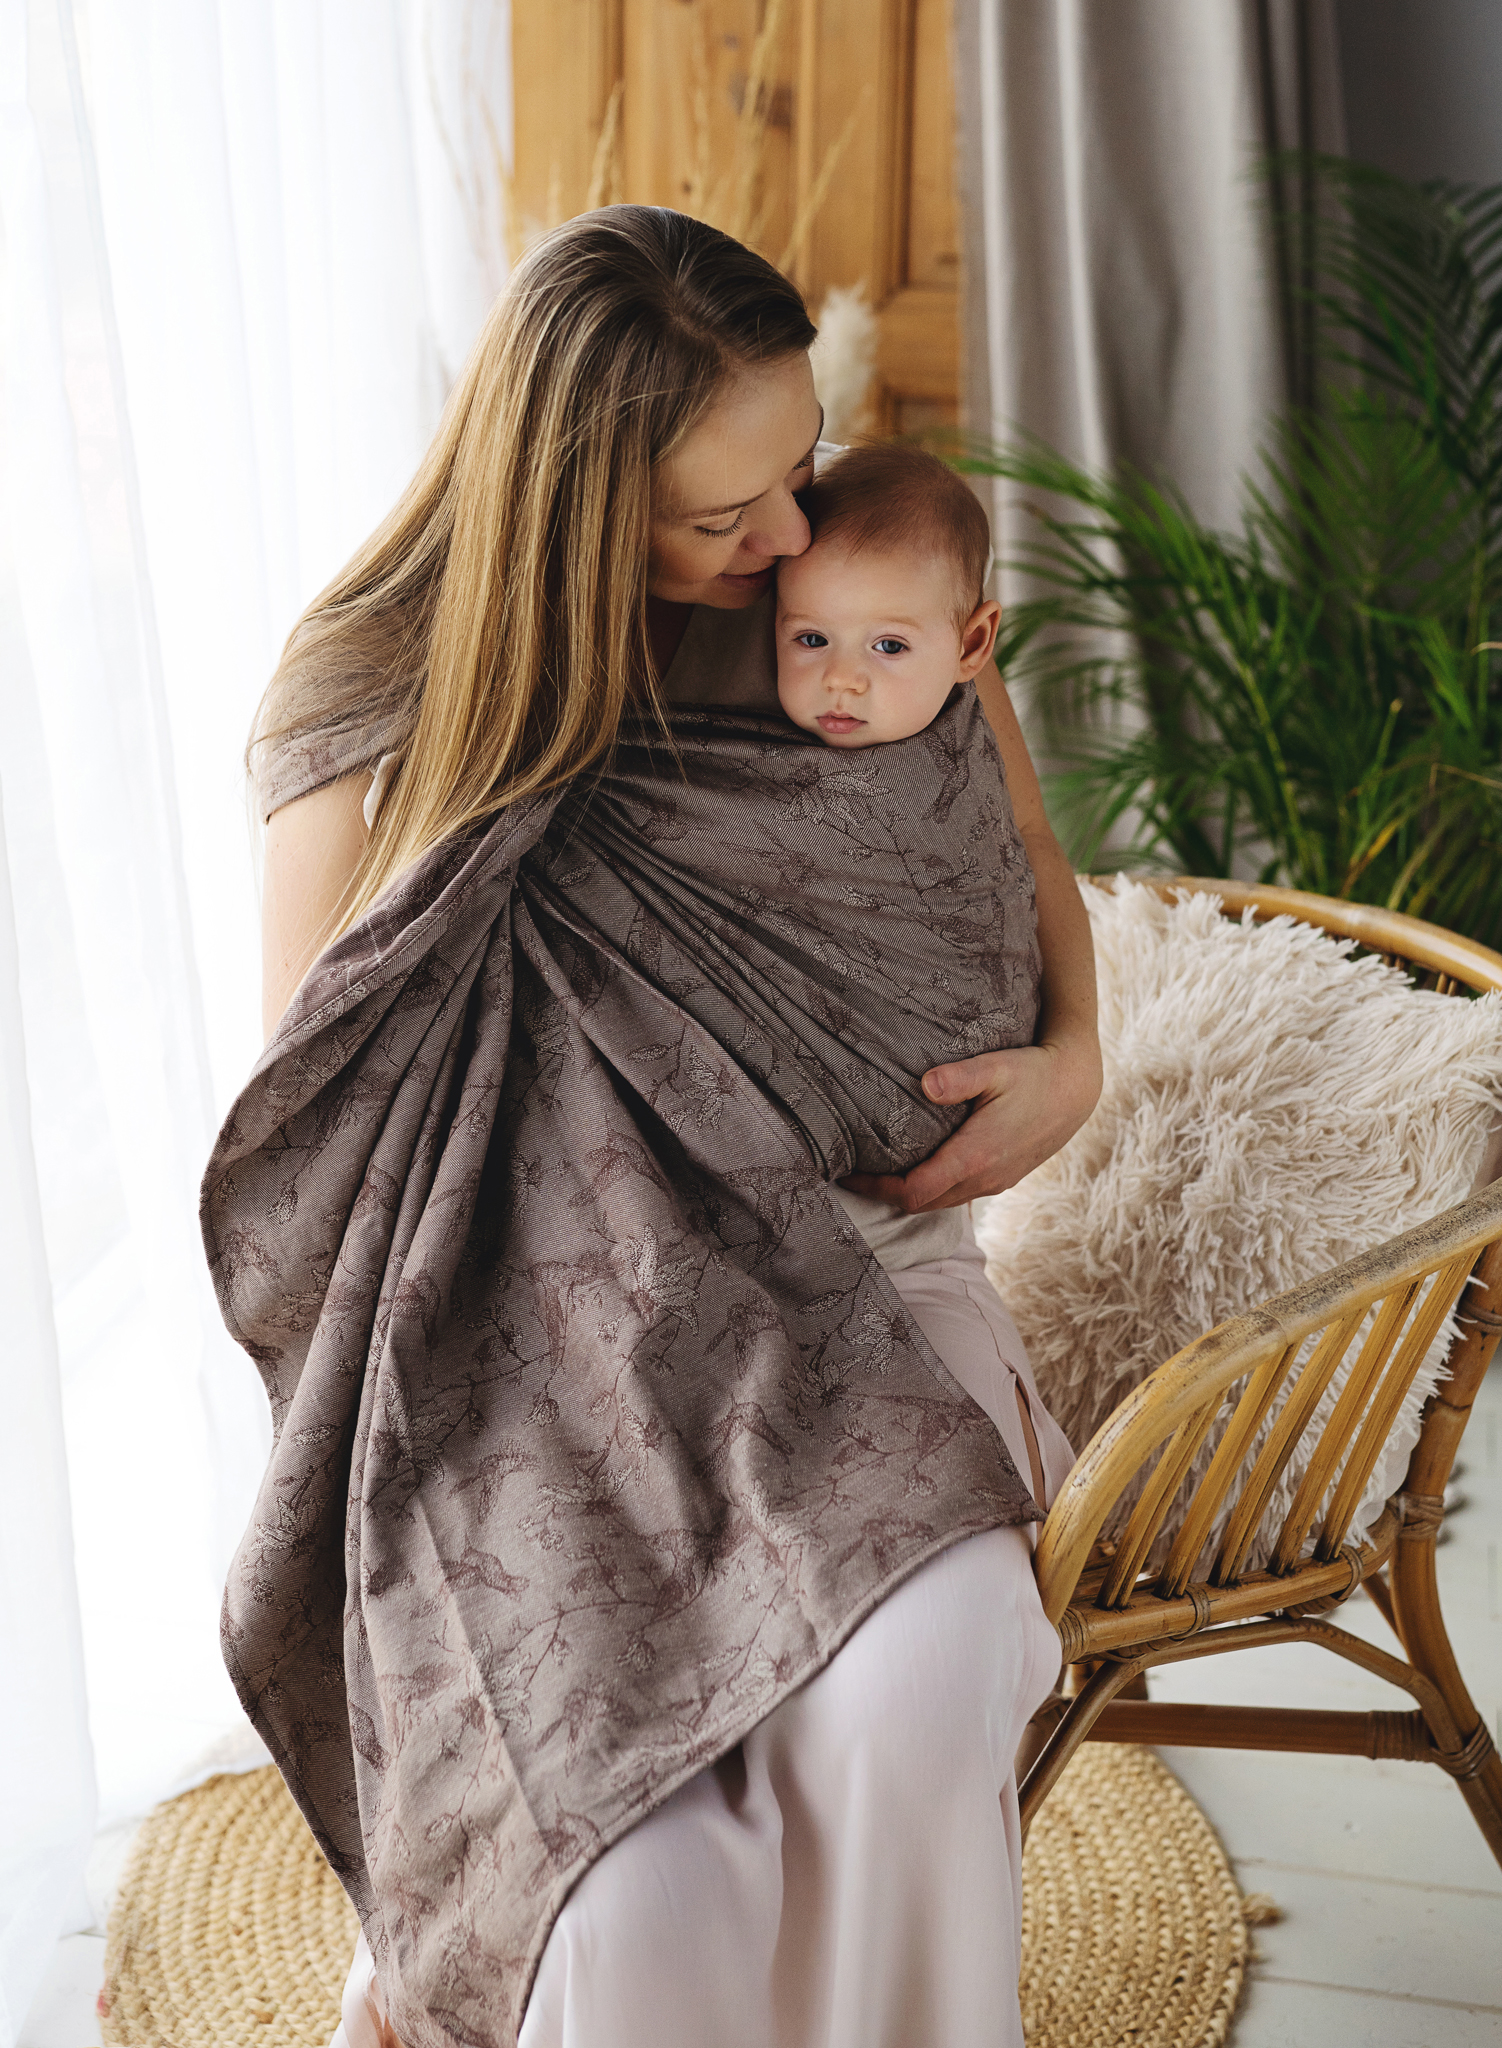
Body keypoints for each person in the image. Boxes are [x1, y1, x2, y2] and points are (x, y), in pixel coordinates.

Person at [225, 205, 1100, 2048]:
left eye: (795, 466)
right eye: (722, 514)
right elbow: (333, 1142)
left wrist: (1077, 1055)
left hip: (867, 1277)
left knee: (920, 1677)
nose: (784, 536)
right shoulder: (365, 710)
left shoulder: (850, 588)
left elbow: (1011, 845)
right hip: (534, 1350)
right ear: (573, 502)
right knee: (637, 1891)